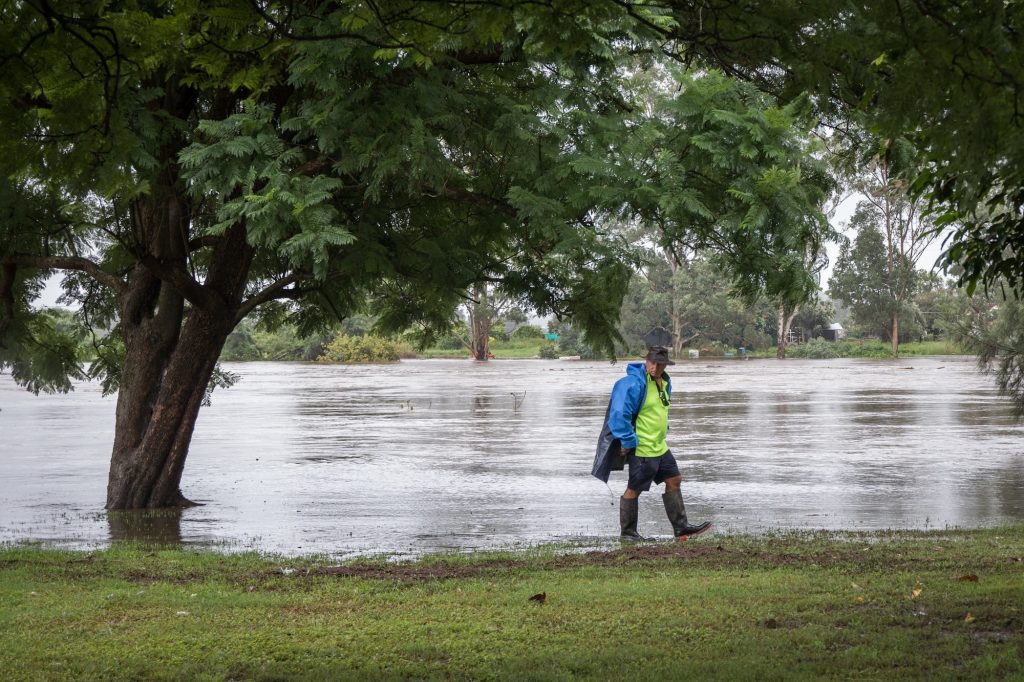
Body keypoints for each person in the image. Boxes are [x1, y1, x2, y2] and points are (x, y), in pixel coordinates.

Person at [592, 345, 711, 541]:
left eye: (659, 363)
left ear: (665, 365)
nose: (654, 367)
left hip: (660, 445)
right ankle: (628, 533)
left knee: (674, 480)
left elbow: (659, 411)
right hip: (642, 447)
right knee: (635, 488)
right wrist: (628, 441)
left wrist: (664, 429)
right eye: (651, 362)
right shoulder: (632, 383)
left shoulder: (665, 383)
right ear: (646, 361)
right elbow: (618, 415)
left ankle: (681, 528)